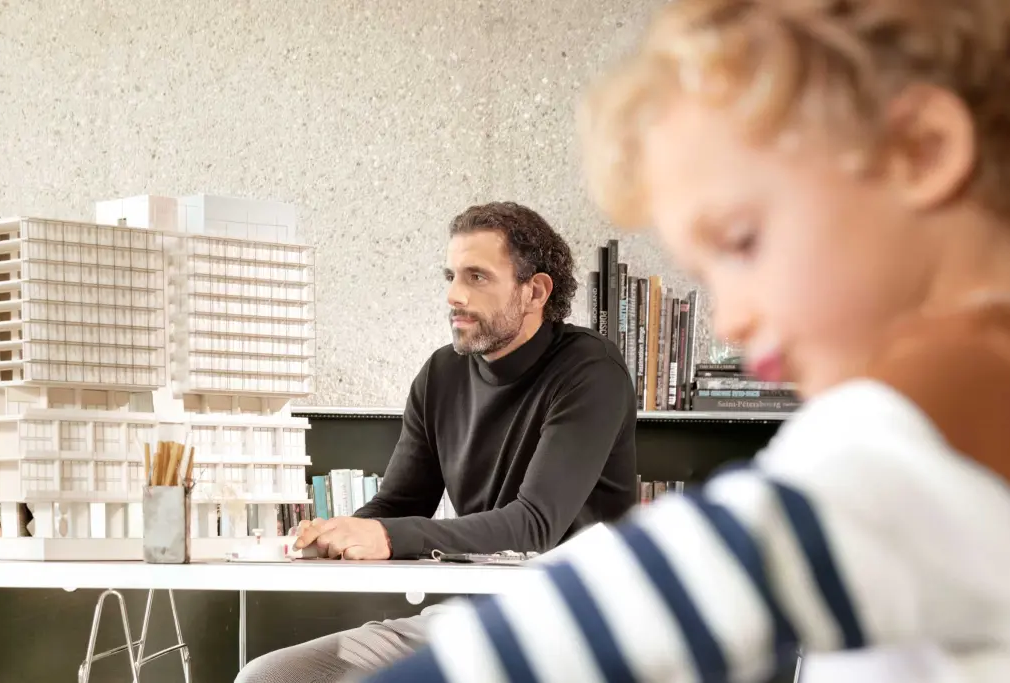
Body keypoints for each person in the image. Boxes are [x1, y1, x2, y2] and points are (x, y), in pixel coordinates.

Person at [355, 1, 1010, 682]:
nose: (729, 320)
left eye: (742, 240)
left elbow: (627, 612)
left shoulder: (938, 433)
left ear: (920, 151)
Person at [235, 201, 638, 682]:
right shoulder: (441, 374)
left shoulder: (591, 372)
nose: (454, 294)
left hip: (578, 627)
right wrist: (333, 536)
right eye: (450, 276)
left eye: (476, 277)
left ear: (535, 291)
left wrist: (385, 537)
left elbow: (534, 527)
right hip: (474, 620)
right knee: (271, 677)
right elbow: (401, 502)